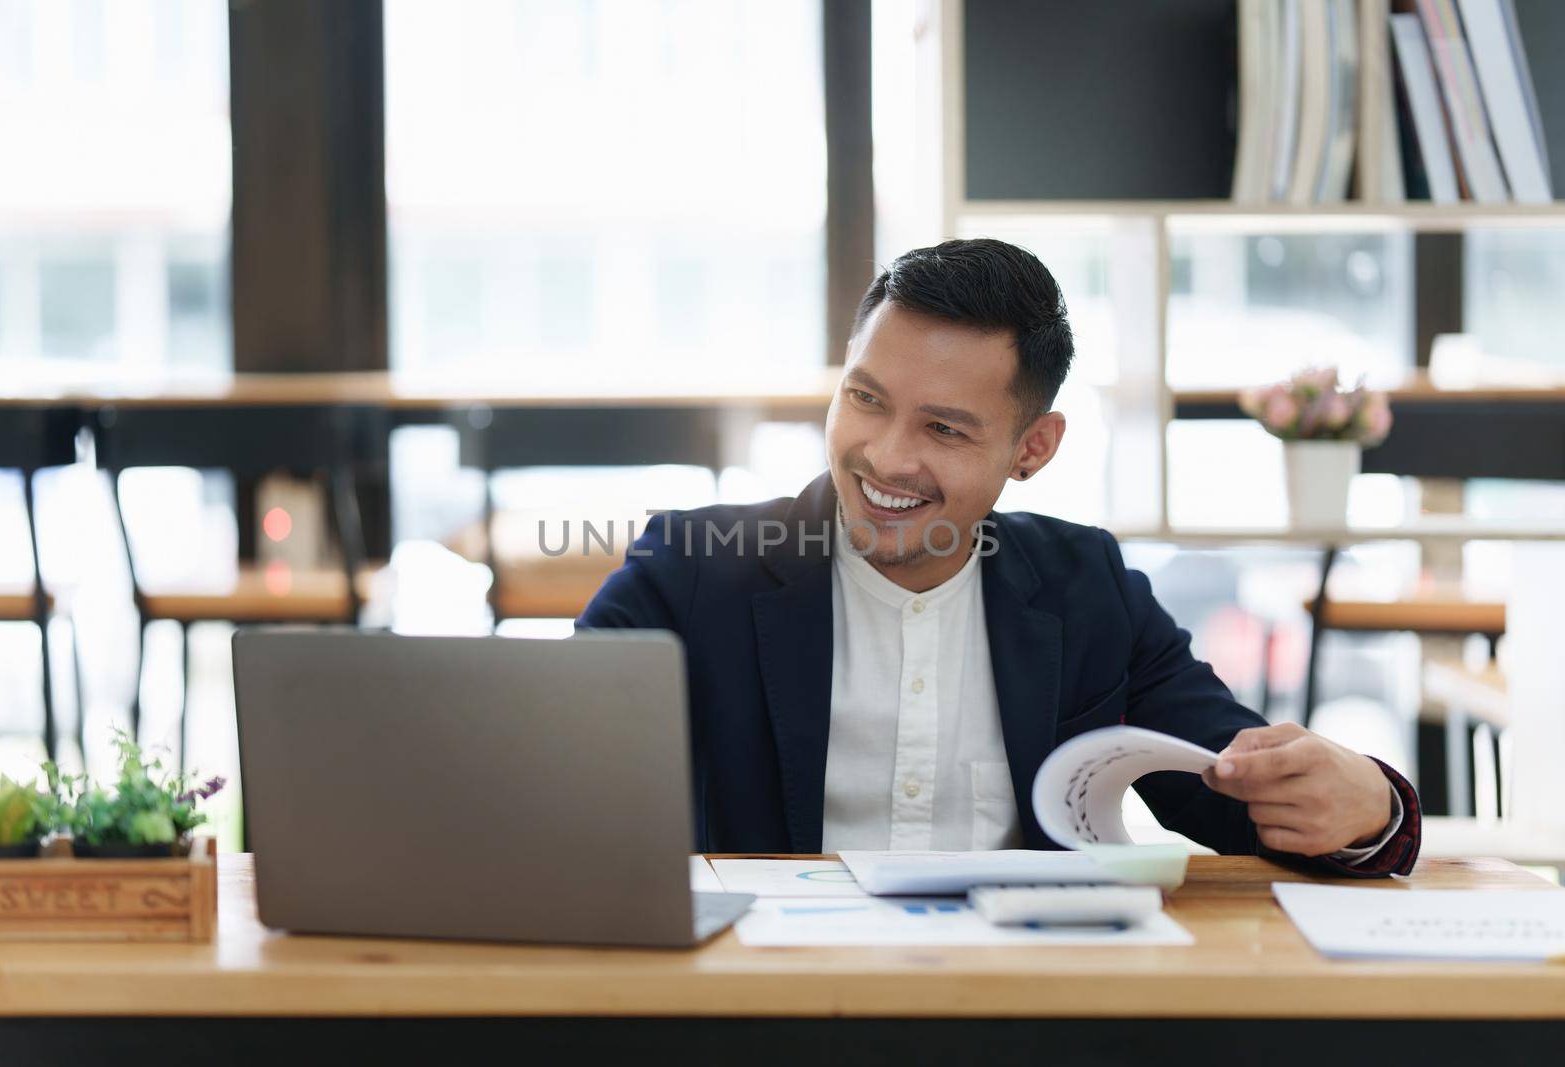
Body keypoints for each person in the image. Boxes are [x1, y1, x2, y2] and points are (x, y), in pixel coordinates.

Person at [579, 238, 1418, 875]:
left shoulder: (1088, 590)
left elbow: (1238, 793)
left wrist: (1368, 805)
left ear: (1034, 447)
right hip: (769, 1010)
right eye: (865, 399)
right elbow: (545, 771)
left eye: (944, 428)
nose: (885, 456)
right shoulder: (691, 569)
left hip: (1023, 1015)